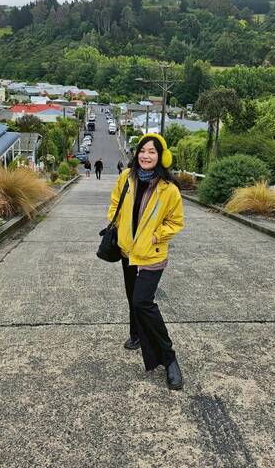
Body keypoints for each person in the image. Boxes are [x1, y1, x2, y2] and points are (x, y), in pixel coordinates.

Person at [107, 134, 184, 390]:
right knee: (132, 296)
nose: (146, 155)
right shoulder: (126, 178)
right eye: (142, 150)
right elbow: (115, 204)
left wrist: (155, 236)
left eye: (152, 151)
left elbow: (175, 222)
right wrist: (118, 228)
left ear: (161, 157)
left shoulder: (169, 189)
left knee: (143, 302)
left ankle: (169, 359)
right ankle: (136, 334)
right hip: (127, 251)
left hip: (152, 254)